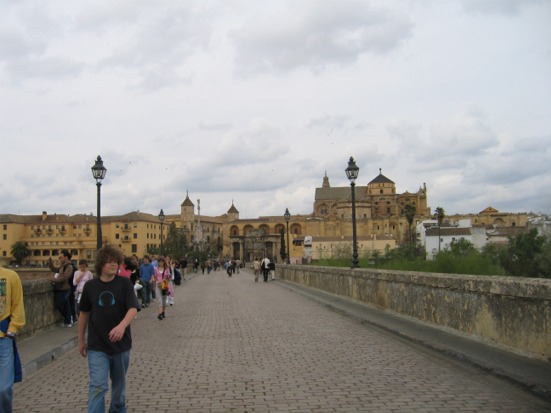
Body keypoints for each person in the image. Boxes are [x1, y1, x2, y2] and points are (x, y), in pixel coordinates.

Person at [78, 244, 139, 413]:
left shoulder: (125, 284)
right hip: (97, 345)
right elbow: (84, 314)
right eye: (109, 261)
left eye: (116, 261)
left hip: (121, 345)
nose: (113, 264)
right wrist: (81, 339)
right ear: (101, 263)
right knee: (97, 385)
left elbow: (133, 308)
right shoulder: (90, 286)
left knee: (119, 386)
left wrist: (122, 326)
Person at [0, 255, 26, 413]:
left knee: (4, 389)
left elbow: (17, 305)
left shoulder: (10, 277)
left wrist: (13, 328)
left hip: (4, 338)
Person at [48, 250, 74, 327]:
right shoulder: (62, 266)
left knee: (62, 304)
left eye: (61, 257)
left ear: (66, 257)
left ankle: (68, 320)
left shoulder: (69, 267)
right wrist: (50, 263)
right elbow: (54, 270)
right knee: (62, 305)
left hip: (65, 289)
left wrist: (54, 279)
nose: (60, 259)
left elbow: (64, 278)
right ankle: (68, 320)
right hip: (60, 289)